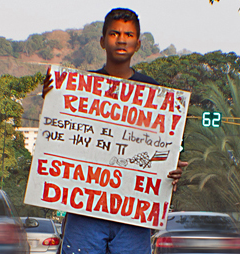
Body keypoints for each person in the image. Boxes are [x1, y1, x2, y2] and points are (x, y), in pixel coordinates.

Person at [42, 8, 187, 254]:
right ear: (102, 41)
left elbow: (163, 147)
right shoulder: (80, 89)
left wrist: (171, 168)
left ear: (138, 43)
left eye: (128, 35)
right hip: (85, 210)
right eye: (114, 33)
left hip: (134, 214)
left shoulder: (155, 93)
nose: (121, 39)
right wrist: (54, 99)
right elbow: (61, 138)